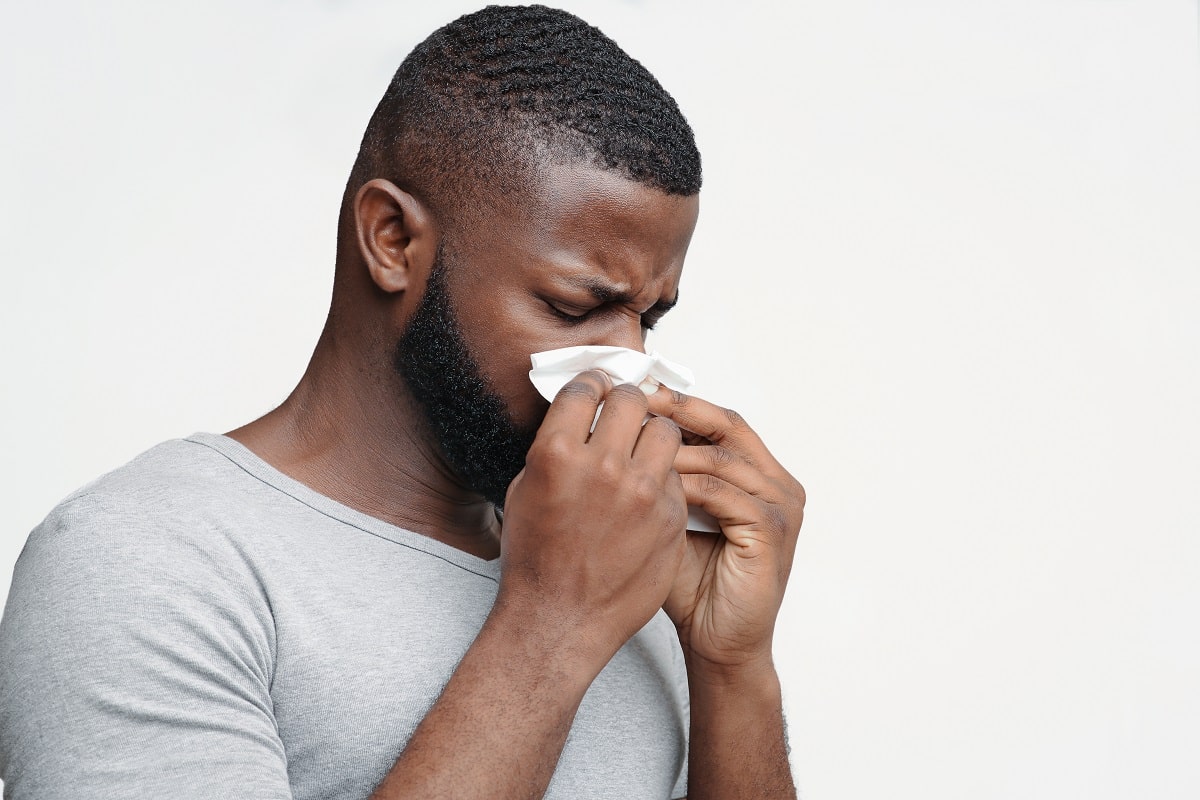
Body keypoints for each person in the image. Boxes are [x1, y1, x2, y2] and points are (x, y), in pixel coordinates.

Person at [0, 5, 804, 799]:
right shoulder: (147, 562)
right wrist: (552, 627)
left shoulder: (624, 562)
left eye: (650, 318)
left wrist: (731, 666)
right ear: (392, 239)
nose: (629, 364)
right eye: (571, 307)